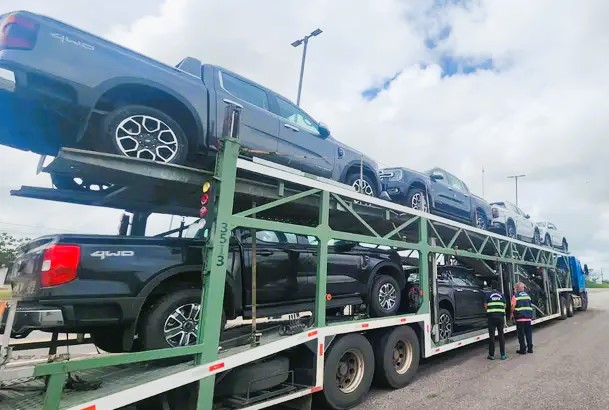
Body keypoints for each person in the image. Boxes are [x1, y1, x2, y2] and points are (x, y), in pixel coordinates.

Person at [484, 281, 507, 360]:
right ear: (497, 286)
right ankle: (503, 355)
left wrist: (489, 311)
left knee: (492, 336)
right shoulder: (501, 295)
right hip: (500, 317)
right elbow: (505, 306)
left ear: (491, 286)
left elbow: (485, 305)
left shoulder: (488, 295)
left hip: (491, 317)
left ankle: (491, 355)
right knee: (501, 335)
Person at [511, 281, 533, 354]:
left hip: (520, 318)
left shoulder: (515, 296)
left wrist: (511, 314)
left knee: (521, 334)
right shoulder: (528, 296)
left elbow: (513, 306)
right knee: (528, 333)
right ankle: (530, 349)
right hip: (528, 317)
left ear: (517, 288)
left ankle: (523, 349)